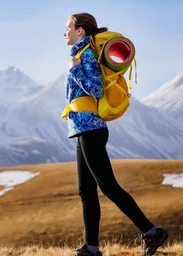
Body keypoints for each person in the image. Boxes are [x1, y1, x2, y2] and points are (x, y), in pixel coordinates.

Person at [64, 13, 169, 256]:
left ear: (80, 31)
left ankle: (152, 233)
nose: (64, 31)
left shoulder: (86, 55)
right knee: (86, 192)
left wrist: (75, 71)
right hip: (83, 129)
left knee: (108, 187)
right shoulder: (80, 54)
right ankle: (91, 248)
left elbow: (96, 88)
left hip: (92, 129)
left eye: (68, 27)